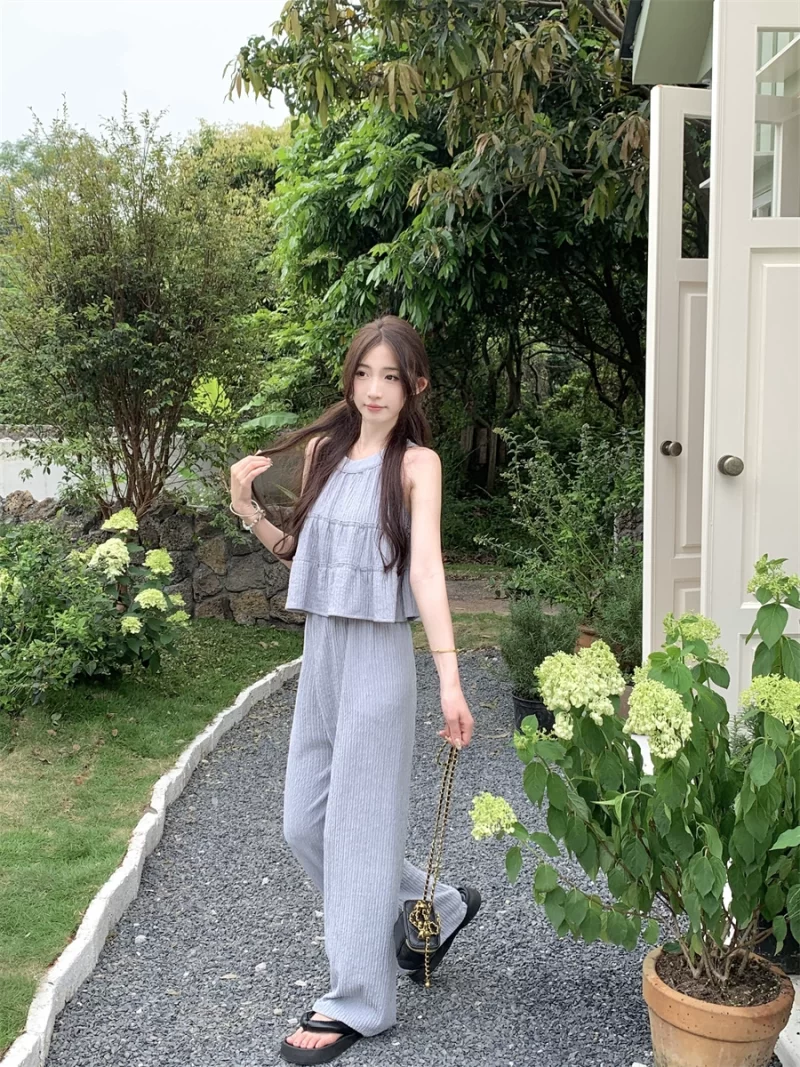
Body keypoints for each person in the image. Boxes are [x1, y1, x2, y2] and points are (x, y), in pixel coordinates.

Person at [229, 315, 481, 1065]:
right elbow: (305, 554)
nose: (374, 389)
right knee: (304, 825)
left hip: (378, 658)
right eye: (364, 373)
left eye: (391, 377)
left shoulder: (418, 465)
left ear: (415, 386)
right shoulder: (322, 454)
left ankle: (360, 1001)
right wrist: (247, 511)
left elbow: (426, 570)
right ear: (349, 379)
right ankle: (439, 903)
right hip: (323, 655)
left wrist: (450, 680)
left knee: (360, 835)